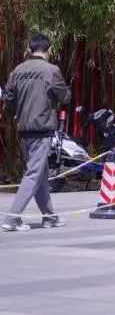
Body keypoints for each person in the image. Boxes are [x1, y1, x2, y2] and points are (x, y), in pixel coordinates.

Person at [1, 34, 71, 231]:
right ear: (48, 51)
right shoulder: (51, 70)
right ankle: (12, 219)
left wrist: (18, 112)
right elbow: (65, 96)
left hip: (23, 128)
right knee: (33, 173)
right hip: (42, 128)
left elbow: (8, 97)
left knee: (40, 173)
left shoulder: (18, 70)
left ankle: (50, 217)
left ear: (30, 49)